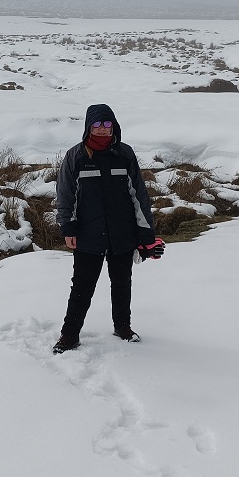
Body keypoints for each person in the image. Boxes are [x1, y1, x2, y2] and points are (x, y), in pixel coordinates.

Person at [53, 104, 163, 354]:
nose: (102, 130)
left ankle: (122, 327)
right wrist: (68, 228)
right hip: (88, 234)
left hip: (121, 233)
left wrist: (146, 235)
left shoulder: (125, 154)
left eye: (106, 125)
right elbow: (65, 195)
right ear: (88, 127)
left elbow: (139, 197)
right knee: (82, 287)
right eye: (97, 125)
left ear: (113, 126)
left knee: (122, 283)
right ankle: (69, 335)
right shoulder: (76, 156)